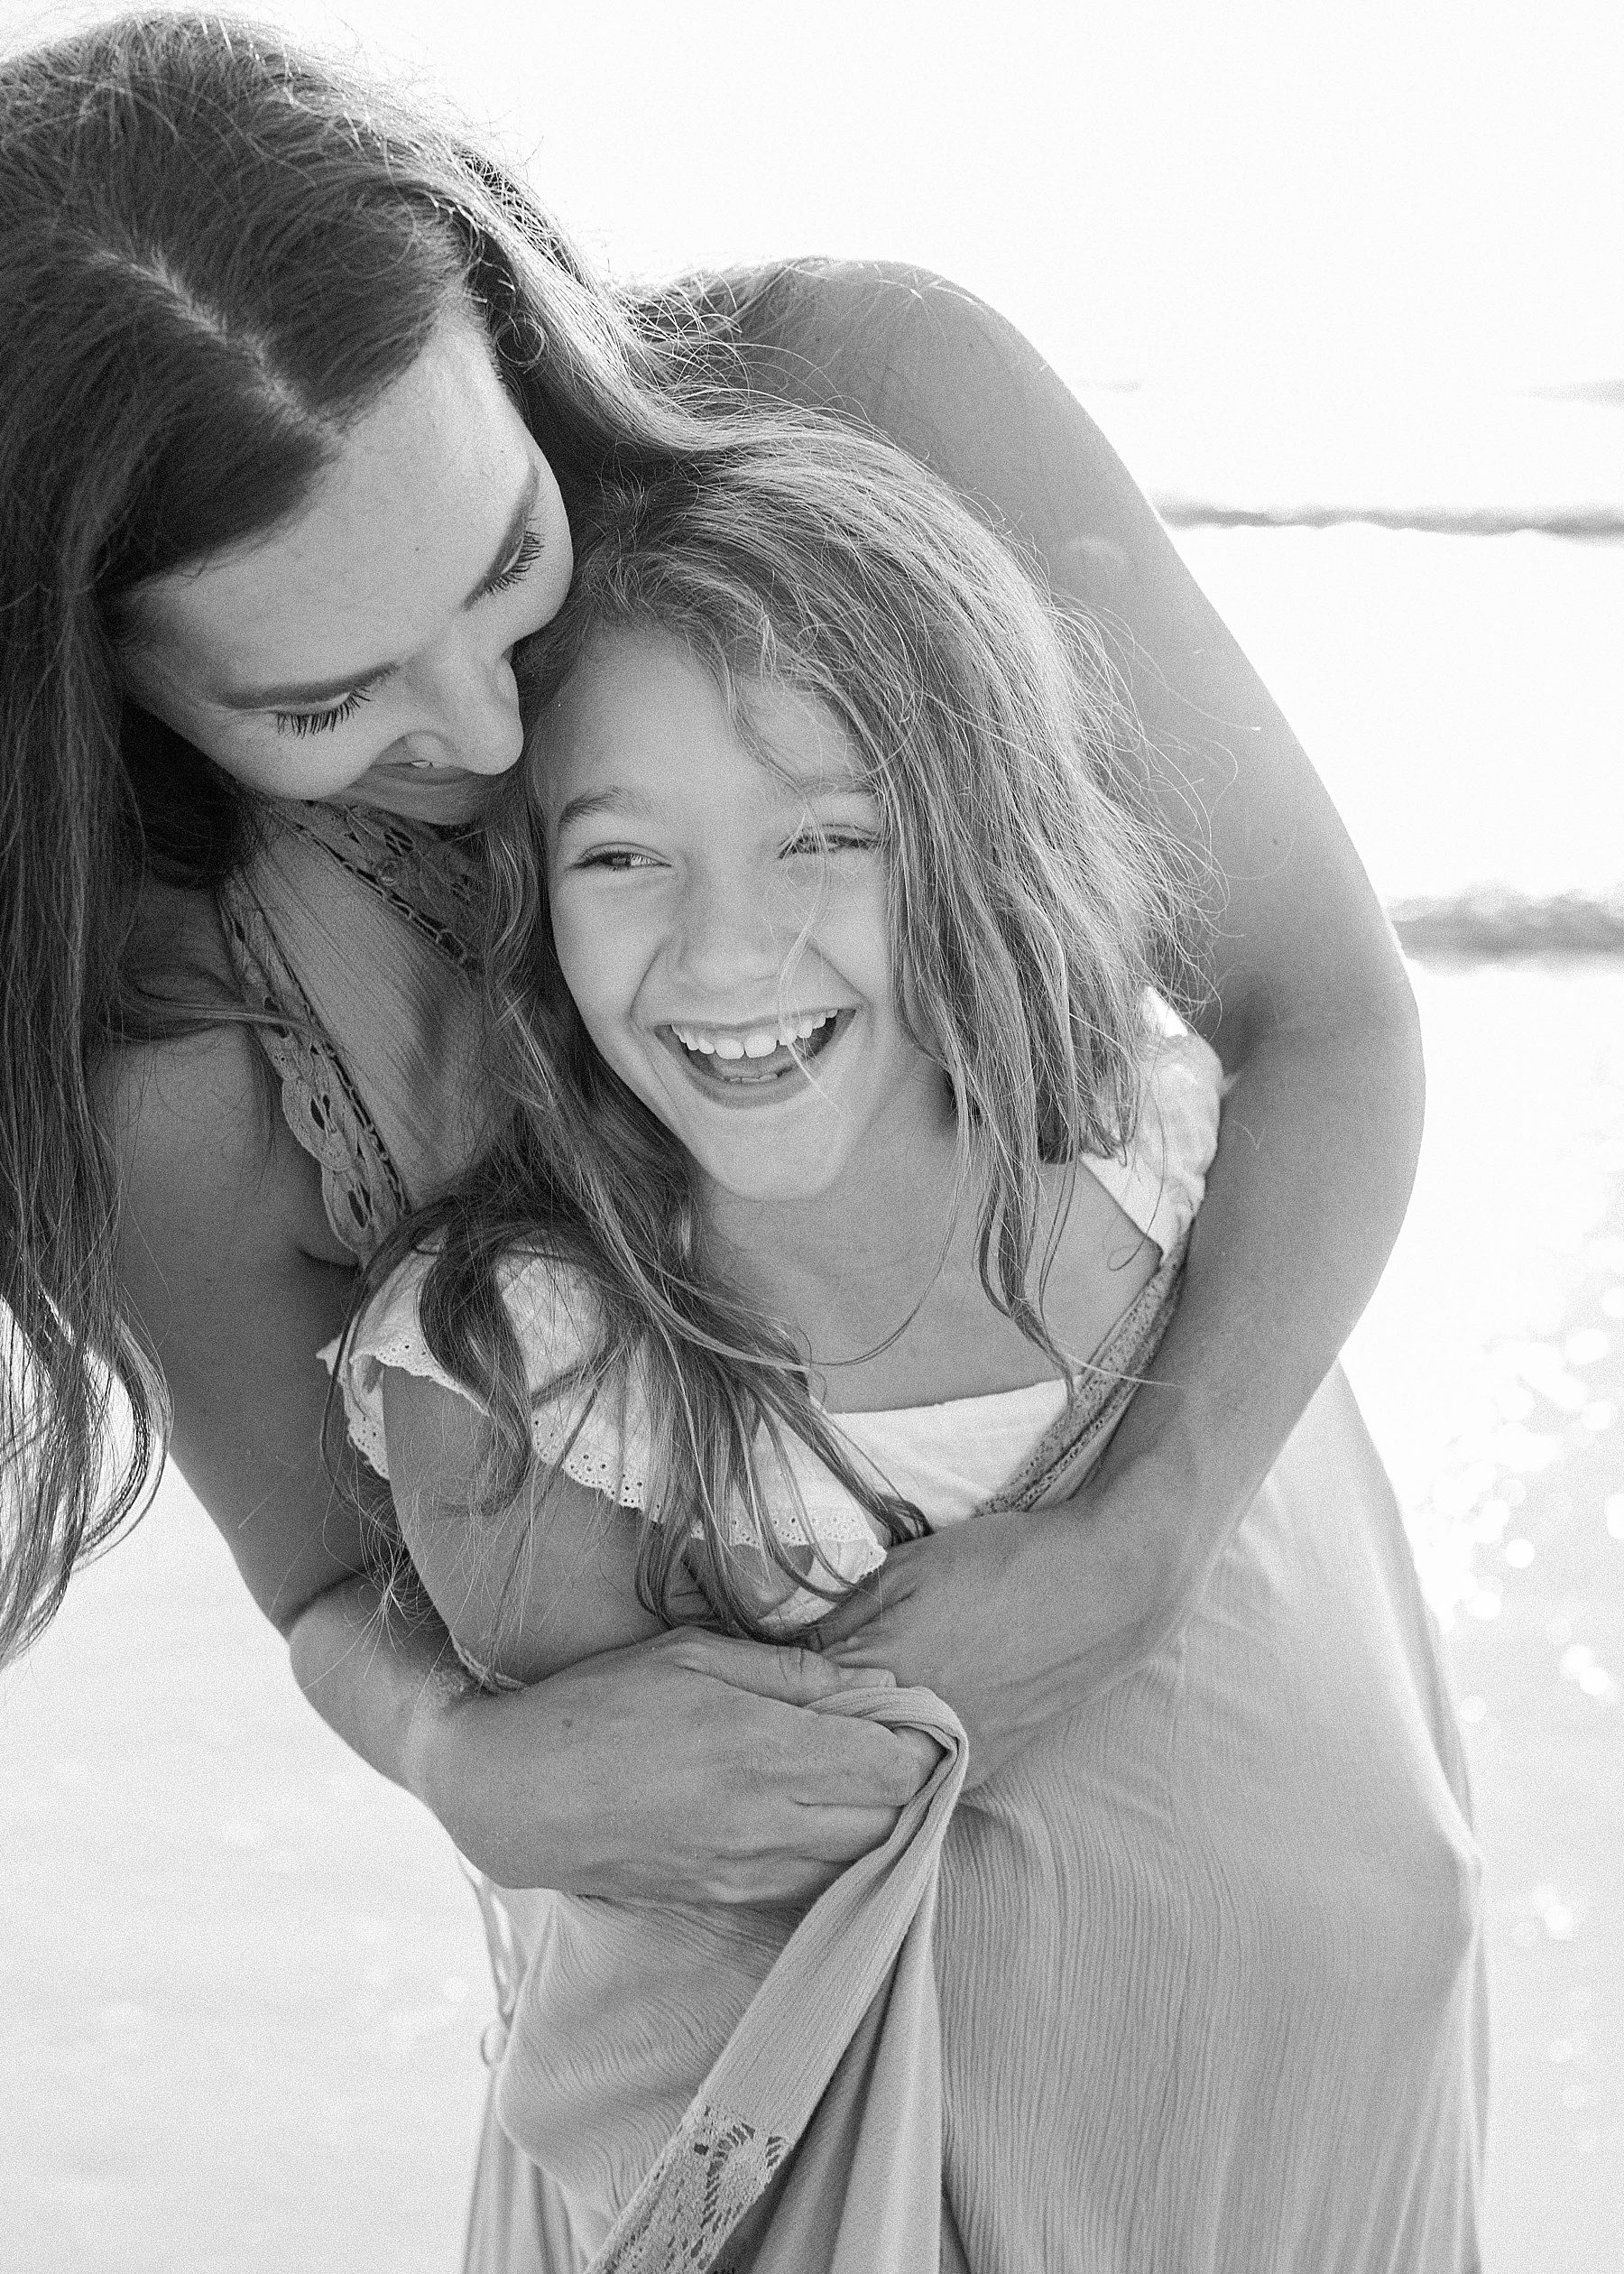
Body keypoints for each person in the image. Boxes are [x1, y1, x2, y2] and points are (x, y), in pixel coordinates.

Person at [0, 12, 1470, 2257]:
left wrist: (1142, 1533)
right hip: (719, 1998)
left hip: (1237, 1756)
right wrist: (461, 1761)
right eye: (321, 704)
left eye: (507, 558)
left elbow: (1329, 1024)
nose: (486, 728)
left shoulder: (877, 408)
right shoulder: (165, 976)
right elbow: (322, 1580)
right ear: (98, 690)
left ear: (510, 323)